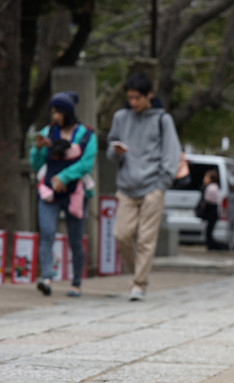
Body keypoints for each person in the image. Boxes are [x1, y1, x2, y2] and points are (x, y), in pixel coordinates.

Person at [107, 72, 181, 301]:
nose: (133, 102)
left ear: (149, 95)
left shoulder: (162, 120)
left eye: (138, 98)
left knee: (146, 240)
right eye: (130, 98)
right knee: (121, 235)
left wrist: (161, 185)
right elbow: (110, 150)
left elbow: (172, 153)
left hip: (152, 187)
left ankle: (138, 284)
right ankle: (138, 275)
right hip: (127, 187)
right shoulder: (120, 117)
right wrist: (115, 151)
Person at [30, 91, 96, 298]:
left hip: (75, 192)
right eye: (52, 111)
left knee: (75, 239)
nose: (54, 116)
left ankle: (76, 283)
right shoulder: (47, 132)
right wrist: (38, 150)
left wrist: (64, 178)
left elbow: (86, 163)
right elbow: (37, 164)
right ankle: (46, 278)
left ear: (67, 112)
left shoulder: (86, 134)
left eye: (57, 111)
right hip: (49, 191)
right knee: (47, 233)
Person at [200, 170, 221, 251]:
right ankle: (212, 246)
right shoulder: (214, 187)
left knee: (209, 231)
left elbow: (208, 200)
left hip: (211, 211)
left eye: (206, 177)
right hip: (212, 211)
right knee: (209, 230)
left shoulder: (211, 188)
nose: (204, 179)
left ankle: (214, 246)